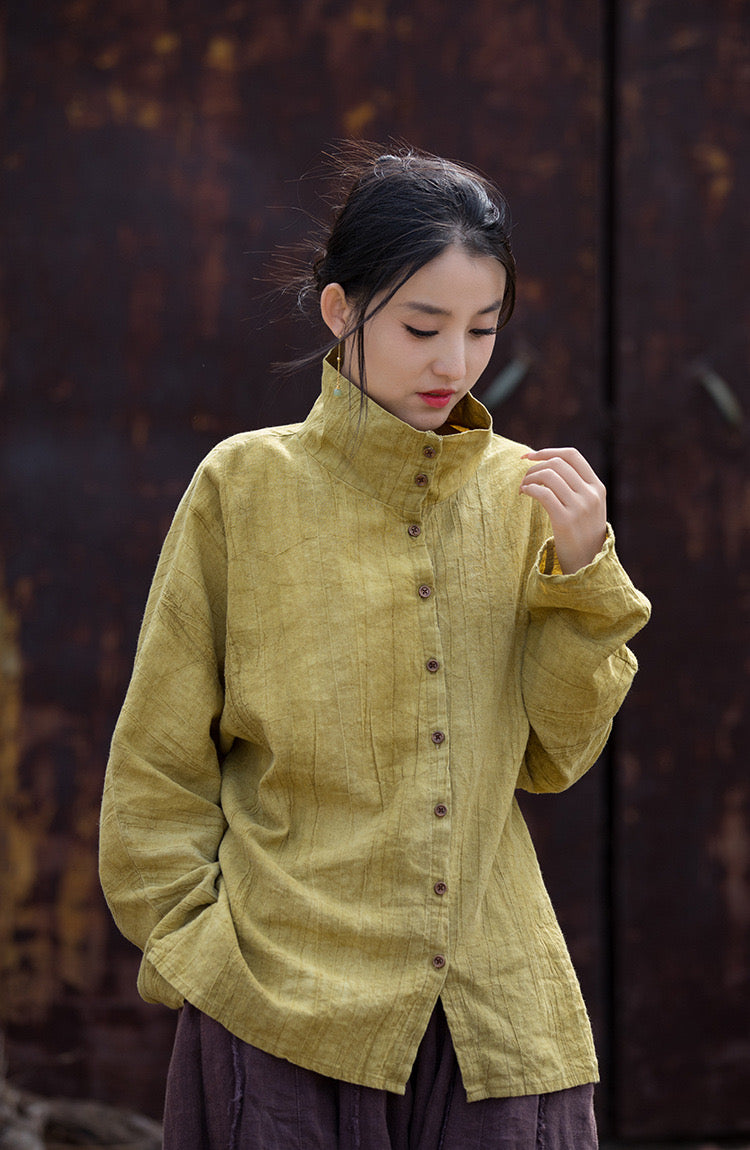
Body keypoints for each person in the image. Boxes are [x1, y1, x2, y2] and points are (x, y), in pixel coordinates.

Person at [99, 144, 650, 1149]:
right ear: (340, 310)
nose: (454, 363)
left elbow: (555, 757)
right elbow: (158, 763)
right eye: (421, 327)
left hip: (493, 1022)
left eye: (482, 329)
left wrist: (583, 577)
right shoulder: (243, 486)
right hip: (280, 1013)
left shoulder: (527, 496)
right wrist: (200, 955)